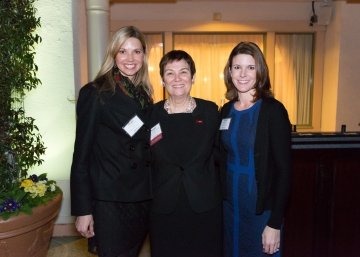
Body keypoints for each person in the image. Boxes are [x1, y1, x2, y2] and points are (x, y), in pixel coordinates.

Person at [70, 26, 153, 257]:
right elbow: (81, 156)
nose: (130, 58)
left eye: (136, 52)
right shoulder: (95, 93)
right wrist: (83, 210)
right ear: (113, 55)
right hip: (110, 201)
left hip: (142, 198)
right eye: (123, 51)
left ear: (143, 56)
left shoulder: (144, 94)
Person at [219, 41, 292, 257]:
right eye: (237, 67)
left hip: (262, 211)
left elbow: (284, 172)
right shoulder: (226, 110)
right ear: (230, 72)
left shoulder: (273, 111)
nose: (243, 74)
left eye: (250, 67)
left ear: (260, 71)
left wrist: (275, 223)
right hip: (230, 209)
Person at [148, 50, 223, 257]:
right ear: (162, 80)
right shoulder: (151, 114)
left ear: (193, 77)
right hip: (164, 206)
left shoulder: (210, 112)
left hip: (204, 204)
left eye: (183, 72)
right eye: (170, 73)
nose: (177, 78)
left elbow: (221, 155)